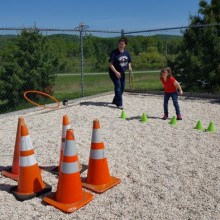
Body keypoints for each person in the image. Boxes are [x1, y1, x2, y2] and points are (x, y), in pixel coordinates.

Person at [108, 37, 132, 109]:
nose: (121, 45)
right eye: (120, 44)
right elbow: (110, 64)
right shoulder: (114, 53)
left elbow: (129, 61)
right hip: (113, 72)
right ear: (118, 44)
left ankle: (115, 100)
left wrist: (129, 66)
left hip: (122, 73)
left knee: (122, 88)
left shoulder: (126, 52)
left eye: (123, 44)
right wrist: (116, 72)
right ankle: (119, 104)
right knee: (118, 87)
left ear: (125, 45)